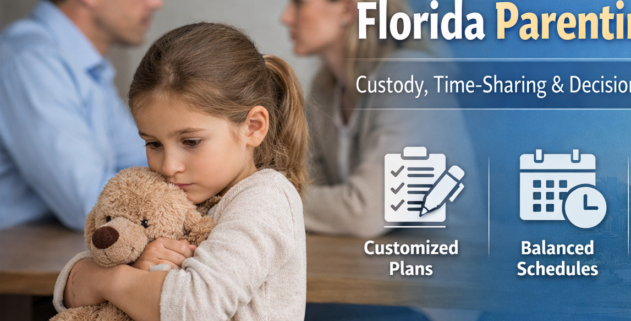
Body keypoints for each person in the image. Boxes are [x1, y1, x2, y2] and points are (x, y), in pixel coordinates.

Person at [52, 23, 308, 320]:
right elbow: (70, 292)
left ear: (253, 127)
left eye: (191, 141)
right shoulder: (176, 197)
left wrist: (108, 280)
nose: (169, 167)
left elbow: (195, 308)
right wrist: (136, 268)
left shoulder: (266, 198)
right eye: (153, 143)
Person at [281, 0, 478, 239]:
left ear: (347, 9)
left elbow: (365, 213)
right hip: (370, 260)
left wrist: (267, 203)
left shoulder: (412, 75)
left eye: (299, 4)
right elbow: (314, 194)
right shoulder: (324, 89)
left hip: (451, 263)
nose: (287, 18)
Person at [0, 0, 162, 231]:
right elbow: (90, 206)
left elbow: (147, 161)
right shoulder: (32, 61)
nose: (156, 3)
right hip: (15, 259)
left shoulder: (82, 65)